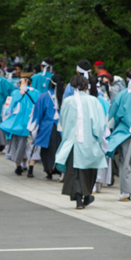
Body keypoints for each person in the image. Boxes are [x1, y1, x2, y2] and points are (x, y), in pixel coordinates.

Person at [55, 74, 107, 209]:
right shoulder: (94, 101)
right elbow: (99, 124)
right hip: (89, 142)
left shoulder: (67, 102)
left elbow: (63, 122)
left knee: (74, 172)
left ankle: (78, 199)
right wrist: (99, 138)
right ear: (86, 86)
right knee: (89, 171)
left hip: (72, 142)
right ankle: (87, 194)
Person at [107, 68, 131, 201]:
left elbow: (112, 114)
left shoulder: (121, 94)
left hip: (124, 132)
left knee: (125, 162)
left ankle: (125, 193)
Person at [0, 73, 40, 176]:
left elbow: (7, 109)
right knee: (31, 147)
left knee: (17, 146)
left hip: (17, 125)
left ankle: (18, 167)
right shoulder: (37, 93)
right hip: (32, 125)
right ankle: (30, 168)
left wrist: (5, 119)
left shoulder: (14, 93)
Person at [30, 74, 64, 180]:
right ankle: (61, 172)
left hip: (46, 127)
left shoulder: (44, 96)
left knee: (46, 150)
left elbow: (38, 113)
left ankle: (49, 171)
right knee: (59, 149)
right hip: (60, 127)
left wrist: (35, 126)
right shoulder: (65, 96)